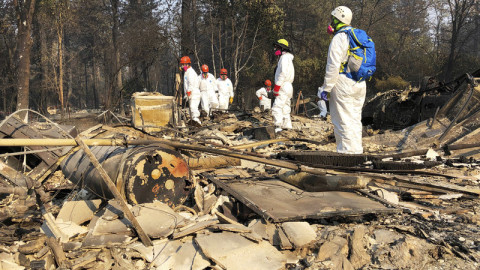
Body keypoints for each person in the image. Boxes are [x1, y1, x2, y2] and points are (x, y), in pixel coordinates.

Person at [318, 6, 366, 154]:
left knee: (342, 121)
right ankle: (356, 152)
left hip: (344, 83)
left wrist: (326, 88)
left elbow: (333, 65)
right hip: (360, 84)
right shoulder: (357, 37)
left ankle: (346, 155)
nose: (331, 22)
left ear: (338, 19)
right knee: (354, 120)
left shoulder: (339, 38)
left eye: (333, 19)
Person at [272, 39, 295, 133]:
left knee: (277, 107)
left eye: (277, 47)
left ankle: (278, 126)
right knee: (285, 106)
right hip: (288, 86)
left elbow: (283, 73)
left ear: (282, 48)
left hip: (283, 85)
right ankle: (287, 126)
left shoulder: (284, 58)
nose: (275, 49)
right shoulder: (288, 58)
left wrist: (277, 86)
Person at [180, 56, 201, 124]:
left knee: (193, 108)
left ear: (187, 64)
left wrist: (189, 91)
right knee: (191, 109)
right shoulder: (186, 72)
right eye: (182, 65)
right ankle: (193, 122)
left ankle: (197, 122)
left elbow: (191, 83)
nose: (182, 66)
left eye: (183, 65)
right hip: (191, 93)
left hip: (194, 93)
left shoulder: (191, 72)